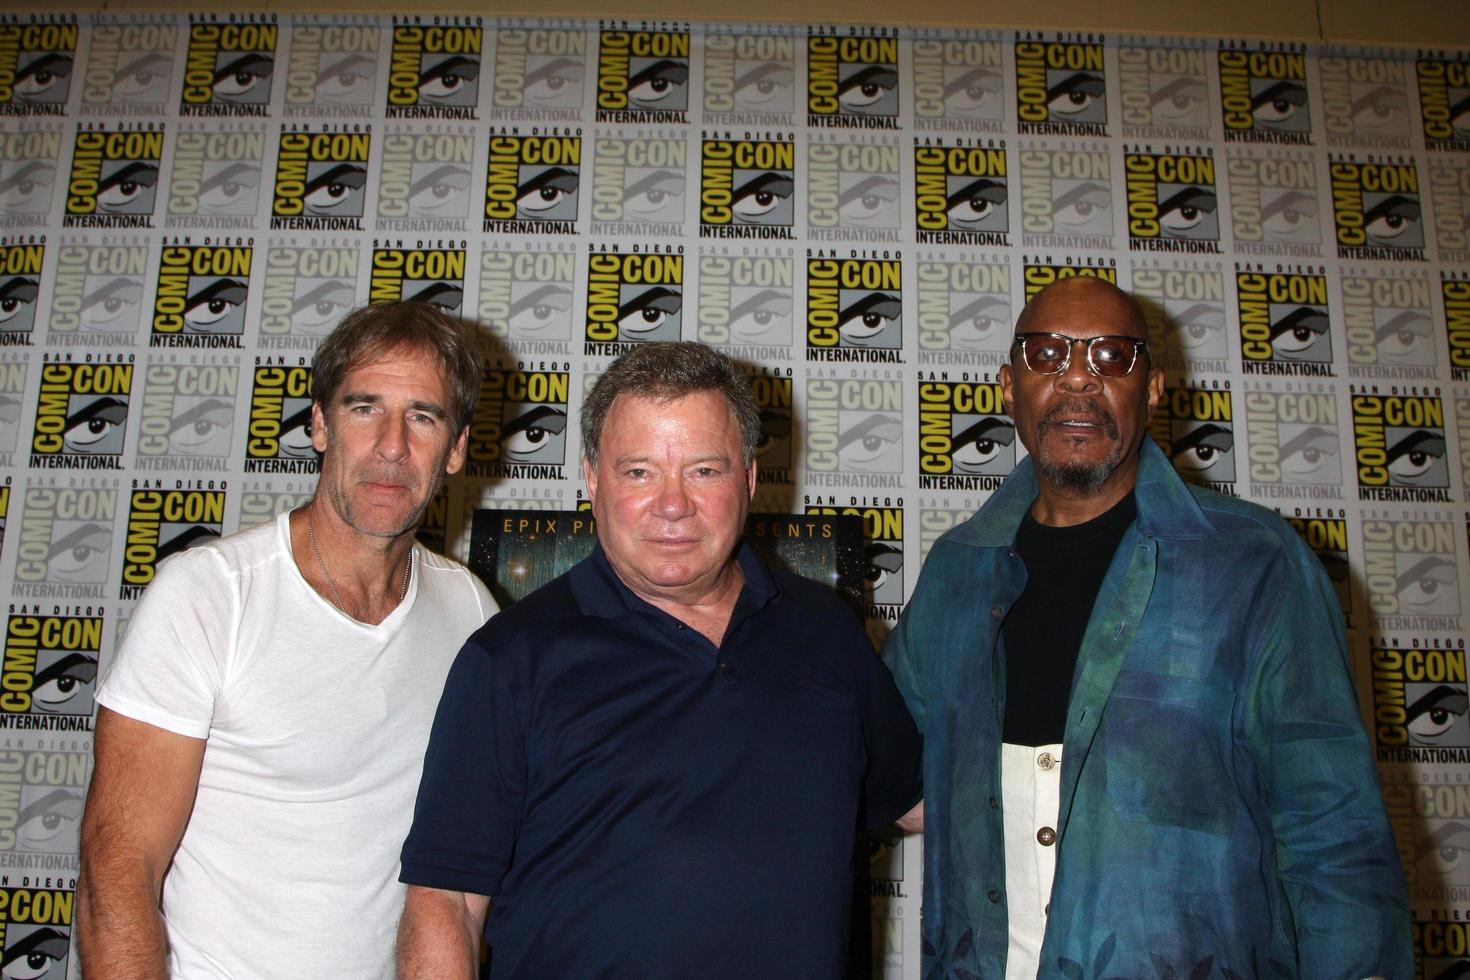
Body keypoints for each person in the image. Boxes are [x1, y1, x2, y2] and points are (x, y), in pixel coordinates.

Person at [885, 277, 1411, 978]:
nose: (1077, 377)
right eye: (1047, 355)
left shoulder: (1254, 565)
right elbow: (878, 761)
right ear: (1008, 387)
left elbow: (1334, 832)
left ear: (1155, 387)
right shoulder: (956, 573)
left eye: (1111, 357)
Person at [396, 341, 922, 978]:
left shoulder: (826, 632)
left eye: (704, 470)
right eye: (638, 471)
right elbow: (446, 902)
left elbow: (916, 801)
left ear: (750, 479)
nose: (673, 505)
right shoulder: (509, 660)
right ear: (593, 478)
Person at [77, 302, 498, 978]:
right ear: (320, 425)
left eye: (423, 416)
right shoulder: (210, 595)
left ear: (454, 449)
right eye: (365, 409)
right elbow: (118, 871)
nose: (392, 445)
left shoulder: (470, 609)